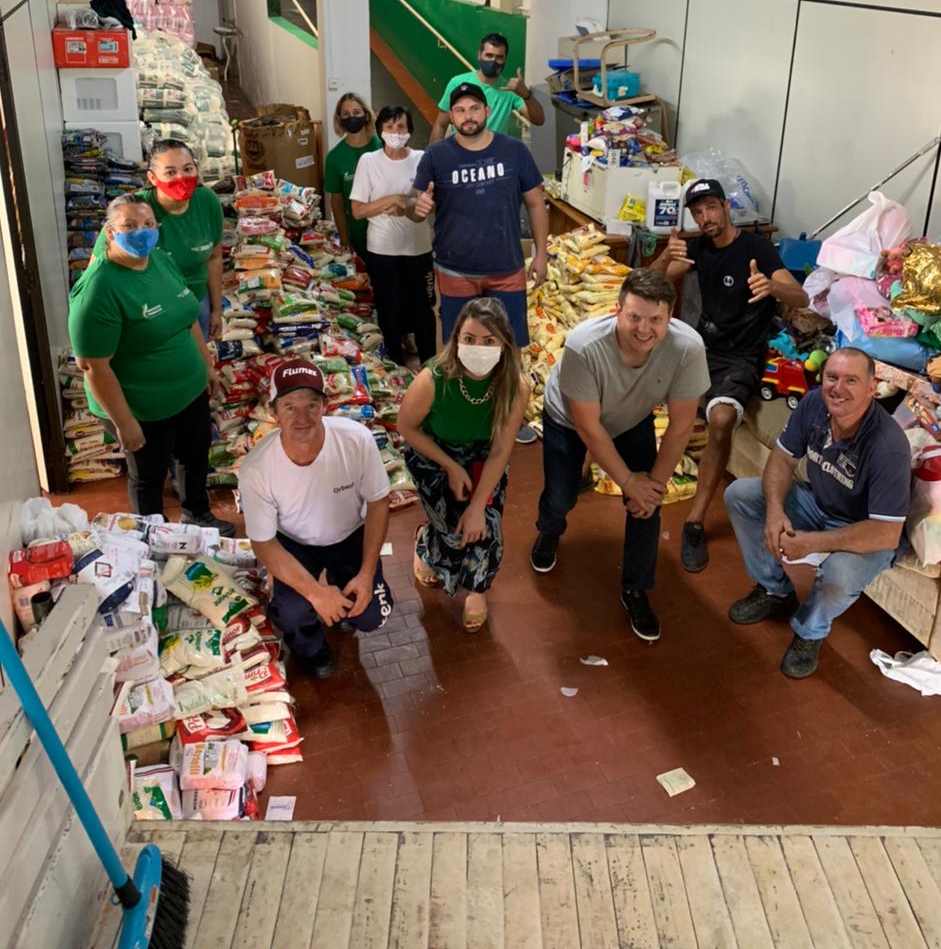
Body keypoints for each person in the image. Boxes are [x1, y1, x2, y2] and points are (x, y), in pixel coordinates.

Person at [531, 268, 710, 641]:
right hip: (569, 419)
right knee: (562, 495)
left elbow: (680, 427)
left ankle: (636, 588)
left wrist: (651, 487)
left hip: (632, 416)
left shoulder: (688, 348)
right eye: (634, 317)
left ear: (671, 317)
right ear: (617, 311)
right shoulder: (584, 346)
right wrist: (628, 481)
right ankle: (549, 529)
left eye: (655, 320)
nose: (644, 329)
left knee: (647, 505)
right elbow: (588, 428)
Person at [724, 347, 912, 679]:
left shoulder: (888, 446)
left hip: (867, 530)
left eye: (851, 380)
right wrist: (774, 512)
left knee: (838, 577)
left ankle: (810, 631)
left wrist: (810, 543)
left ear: (872, 388)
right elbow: (783, 458)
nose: (838, 388)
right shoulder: (814, 404)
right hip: (821, 503)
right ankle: (774, 591)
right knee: (740, 495)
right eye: (832, 377)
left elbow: (886, 534)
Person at [654, 178, 808, 574]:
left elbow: (801, 297)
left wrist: (772, 286)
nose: (706, 217)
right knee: (628, 378)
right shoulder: (697, 248)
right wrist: (663, 258)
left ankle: (694, 523)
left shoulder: (757, 249)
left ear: (726, 207)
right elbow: (647, 284)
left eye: (711, 208)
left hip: (740, 357)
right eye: (698, 212)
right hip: (698, 347)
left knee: (721, 420)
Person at [69, 193, 232, 534]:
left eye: (148, 224)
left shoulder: (160, 260)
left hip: (189, 390)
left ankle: (197, 515)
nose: (141, 233)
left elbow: (187, 317)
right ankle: (153, 537)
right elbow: (93, 367)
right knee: (149, 476)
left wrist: (206, 365)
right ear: (110, 233)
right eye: (129, 226)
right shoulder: (98, 290)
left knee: (194, 456)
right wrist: (124, 422)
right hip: (142, 406)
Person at [239, 359, 394, 678]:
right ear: (273, 412)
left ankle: (343, 597)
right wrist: (314, 592)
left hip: (350, 534)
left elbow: (378, 503)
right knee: (292, 612)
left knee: (372, 616)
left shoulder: (356, 440)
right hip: (294, 542)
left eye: (311, 405)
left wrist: (366, 574)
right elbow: (264, 543)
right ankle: (310, 648)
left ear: (325, 406)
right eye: (290, 407)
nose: (302, 418)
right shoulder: (257, 468)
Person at [398, 298, 529, 632]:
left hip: (484, 456)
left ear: (504, 344)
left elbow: (501, 451)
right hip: (434, 453)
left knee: (485, 525)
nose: (478, 348)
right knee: (451, 529)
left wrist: (477, 506)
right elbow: (406, 427)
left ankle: (477, 590)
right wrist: (451, 467)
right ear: (456, 338)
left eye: (489, 340)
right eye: (469, 339)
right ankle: (427, 541)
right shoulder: (433, 379)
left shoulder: (515, 387)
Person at [413, 81, 548, 349]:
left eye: (474, 108)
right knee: (458, 345)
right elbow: (414, 204)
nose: (468, 116)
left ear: (487, 111)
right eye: (460, 110)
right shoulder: (436, 155)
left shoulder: (515, 151)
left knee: (509, 345)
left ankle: (506, 380)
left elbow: (536, 204)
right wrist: (415, 208)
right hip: (455, 269)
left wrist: (541, 253)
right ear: (451, 117)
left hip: (507, 267)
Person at [91, 139, 224, 339]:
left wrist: (216, 310)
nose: (181, 177)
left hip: (196, 300)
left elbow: (214, 258)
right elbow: (96, 271)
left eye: (188, 169)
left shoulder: (207, 201)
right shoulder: (132, 212)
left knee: (198, 354)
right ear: (152, 178)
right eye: (170, 172)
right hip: (148, 308)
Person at [349, 105, 435, 366]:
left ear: (410, 130)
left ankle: (430, 368)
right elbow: (358, 210)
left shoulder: (422, 159)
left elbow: (430, 202)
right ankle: (394, 368)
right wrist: (392, 199)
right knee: (389, 311)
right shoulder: (369, 161)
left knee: (423, 311)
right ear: (380, 131)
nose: (395, 132)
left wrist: (404, 205)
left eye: (401, 126)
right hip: (383, 251)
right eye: (389, 126)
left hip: (418, 249)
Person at [429, 32, 545, 143]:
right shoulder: (457, 83)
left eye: (499, 57)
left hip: (494, 153)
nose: (493, 61)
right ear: (479, 55)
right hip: (461, 152)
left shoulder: (510, 90)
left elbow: (538, 120)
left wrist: (526, 95)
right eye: (489, 55)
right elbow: (441, 125)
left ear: (505, 59)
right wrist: (430, 155)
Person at [324, 93, 382, 259]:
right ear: (339, 119)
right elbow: (337, 202)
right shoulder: (334, 158)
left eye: (356, 112)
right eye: (346, 114)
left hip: (388, 231)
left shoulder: (382, 145)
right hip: (359, 234)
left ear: (366, 115)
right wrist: (344, 238)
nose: (352, 117)